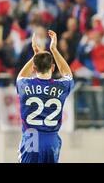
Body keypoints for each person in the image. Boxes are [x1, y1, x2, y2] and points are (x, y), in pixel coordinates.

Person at [16, 30, 74, 163]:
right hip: (51, 139)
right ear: (52, 68)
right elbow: (67, 74)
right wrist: (54, 49)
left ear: (34, 68)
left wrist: (35, 55)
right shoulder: (61, 86)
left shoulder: (24, 84)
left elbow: (21, 75)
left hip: (32, 137)